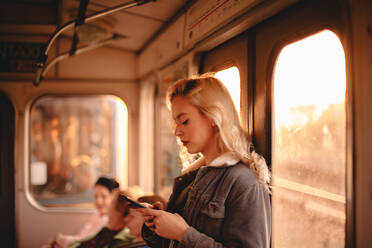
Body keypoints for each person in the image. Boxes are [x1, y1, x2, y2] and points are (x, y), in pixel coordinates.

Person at [138, 74, 271, 247]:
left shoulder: (244, 183)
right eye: (176, 123)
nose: (177, 132)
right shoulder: (192, 177)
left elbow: (183, 236)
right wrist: (158, 224)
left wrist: (183, 233)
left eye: (184, 121)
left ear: (213, 118)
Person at [51, 176, 120, 248]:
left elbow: (84, 242)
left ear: (113, 197)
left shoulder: (108, 222)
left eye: (103, 197)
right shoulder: (97, 215)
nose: (99, 201)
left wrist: (59, 239)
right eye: (96, 196)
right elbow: (81, 237)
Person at [68, 191, 154, 248]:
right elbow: (81, 241)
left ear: (120, 212)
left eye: (112, 204)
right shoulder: (106, 229)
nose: (108, 209)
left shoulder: (124, 239)